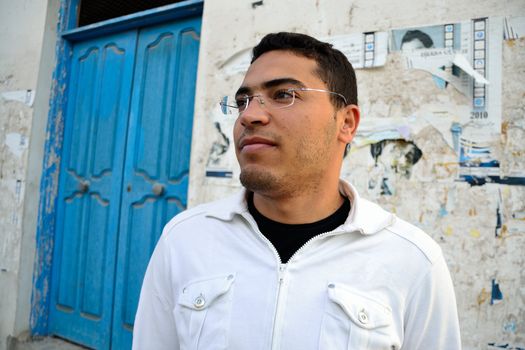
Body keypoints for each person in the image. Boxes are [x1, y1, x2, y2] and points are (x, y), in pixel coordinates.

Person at [133, 32, 461, 350]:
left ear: (346, 123)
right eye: (242, 101)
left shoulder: (411, 260)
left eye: (283, 94)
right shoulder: (185, 239)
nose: (249, 115)